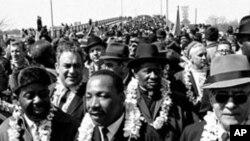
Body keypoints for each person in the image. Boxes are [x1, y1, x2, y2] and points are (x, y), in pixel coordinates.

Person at [127, 43, 195, 141]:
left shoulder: (179, 101)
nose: (154, 76)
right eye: (148, 71)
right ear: (135, 72)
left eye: (157, 71)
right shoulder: (126, 101)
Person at [77, 70, 162, 141]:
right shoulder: (84, 133)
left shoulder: (147, 136)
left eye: (102, 96)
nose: (93, 104)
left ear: (122, 98)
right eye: (89, 97)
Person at [180, 54, 250, 141]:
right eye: (221, 97)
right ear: (211, 98)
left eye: (240, 97)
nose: (230, 105)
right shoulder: (192, 134)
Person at [0, 66, 79, 141]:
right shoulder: (6, 131)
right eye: (30, 96)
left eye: (43, 94)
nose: (38, 100)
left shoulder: (69, 127)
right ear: (16, 99)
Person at [50, 41, 86, 122]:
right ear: (57, 67)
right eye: (67, 66)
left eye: (76, 66)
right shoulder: (49, 91)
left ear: (83, 67)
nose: (72, 71)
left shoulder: (88, 95)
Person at [175, 41, 209, 119]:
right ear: (190, 58)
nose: (204, 58)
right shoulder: (180, 76)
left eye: (205, 54)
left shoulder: (211, 73)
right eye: (200, 55)